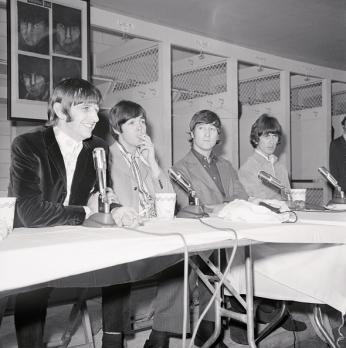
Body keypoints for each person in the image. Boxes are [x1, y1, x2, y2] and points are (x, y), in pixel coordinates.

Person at [9, 78, 141, 348]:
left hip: (76, 235)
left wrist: (116, 210)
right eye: (85, 109)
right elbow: (29, 213)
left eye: (96, 109)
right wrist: (85, 210)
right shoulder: (27, 144)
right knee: (33, 285)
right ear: (60, 111)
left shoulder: (98, 148)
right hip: (36, 237)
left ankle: (113, 341)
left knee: (120, 254)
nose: (95, 117)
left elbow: (102, 194)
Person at [107, 100, 188, 348]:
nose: (141, 127)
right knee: (116, 263)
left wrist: (152, 162)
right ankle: (112, 339)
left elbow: (171, 200)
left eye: (142, 121)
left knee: (181, 260)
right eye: (132, 123)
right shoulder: (108, 156)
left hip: (153, 230)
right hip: (123, 232)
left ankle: (159, 335)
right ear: (118, 129)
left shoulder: (145, 159)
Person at [172, 110, 248, 347]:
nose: (207, 133)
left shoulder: (226, 165)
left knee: (220, 281)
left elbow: (241, 197)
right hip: (199, 234)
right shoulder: (180, 167)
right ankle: (197, 331)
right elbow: (189, 207)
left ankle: (208, 330)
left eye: (213, 129)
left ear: (218, 136)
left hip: (228, 233)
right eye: (201, 128)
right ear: (191, 134)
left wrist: (222, 207)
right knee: (203, 280)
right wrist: (226, 207)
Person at [239, 114, 290, 200]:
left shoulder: (281, 168)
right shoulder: (248, 169)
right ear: (255, 139)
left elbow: (288, 197)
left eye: (275, 136)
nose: (271, 141)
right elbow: (259, 202)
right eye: (266, 136)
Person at [329, 115, 346, 194]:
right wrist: (338, 187)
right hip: (342, 189)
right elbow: (333, 169)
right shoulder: (335, 144)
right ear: (343, 125)